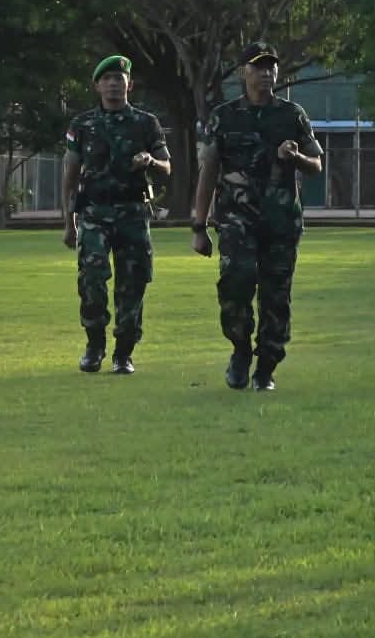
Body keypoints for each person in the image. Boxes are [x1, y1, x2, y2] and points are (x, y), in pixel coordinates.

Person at [191, 42, 323, 392]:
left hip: (281, 223)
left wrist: (296, 158)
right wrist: (199, 226)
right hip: (236, 221)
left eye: (271, 66)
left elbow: (316, 164)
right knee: (235, 286)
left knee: (276, 296)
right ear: (242, 72)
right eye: (258, 66)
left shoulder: (292, 115)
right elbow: (208, 171)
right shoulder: (224, 116)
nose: (266, 72)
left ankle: (266, 367)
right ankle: (240, 350)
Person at [61, 55, 171, 375]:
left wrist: (150, 161)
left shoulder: (146, 123)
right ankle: (94, 345)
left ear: (129, 85)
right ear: (97, 86)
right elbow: (70, 175)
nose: (113, 84)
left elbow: (167, 166)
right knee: (92, 280)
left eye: (119, 79)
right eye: (106, 79)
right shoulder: (82, 124)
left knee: (133, 283)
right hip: (94, 212)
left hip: (133, 213)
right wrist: (68, 223)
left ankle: (124, 352)